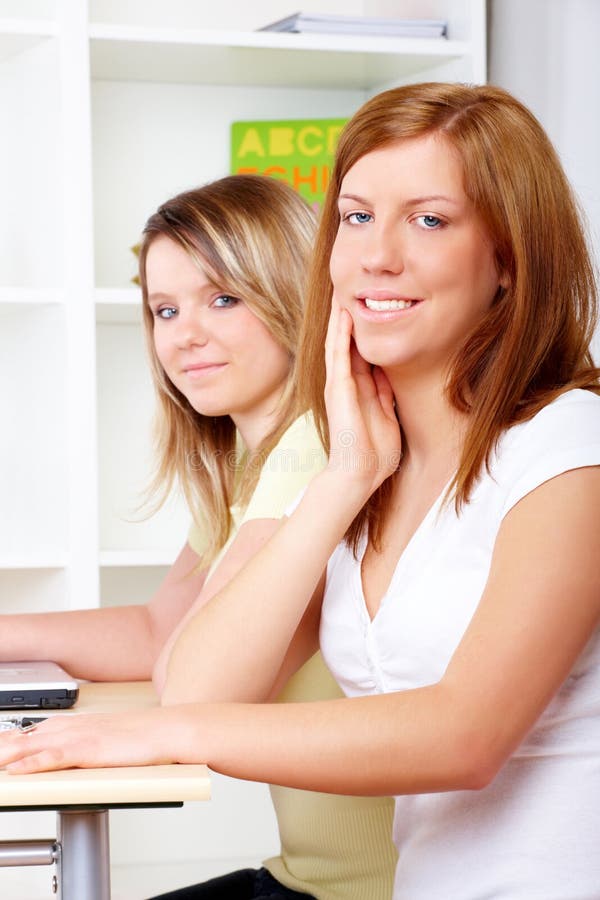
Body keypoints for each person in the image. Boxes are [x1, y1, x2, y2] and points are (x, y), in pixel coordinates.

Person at [2, 82, 600, 899]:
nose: (376, 255)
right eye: (355, 217)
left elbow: (466, 735)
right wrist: (344, 478)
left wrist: (152, 732)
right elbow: (205, 683)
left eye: (428, 219)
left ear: (508, 259)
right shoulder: (368, 467)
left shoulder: (569, 447)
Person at [0, 175, 397, 900]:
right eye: (163, 309)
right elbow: (161, 629)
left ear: (292, 296)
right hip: (310, 880)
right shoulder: (257, 456)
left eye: (223, 298)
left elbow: (190, 691)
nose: (185, 335)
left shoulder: (316, 448)